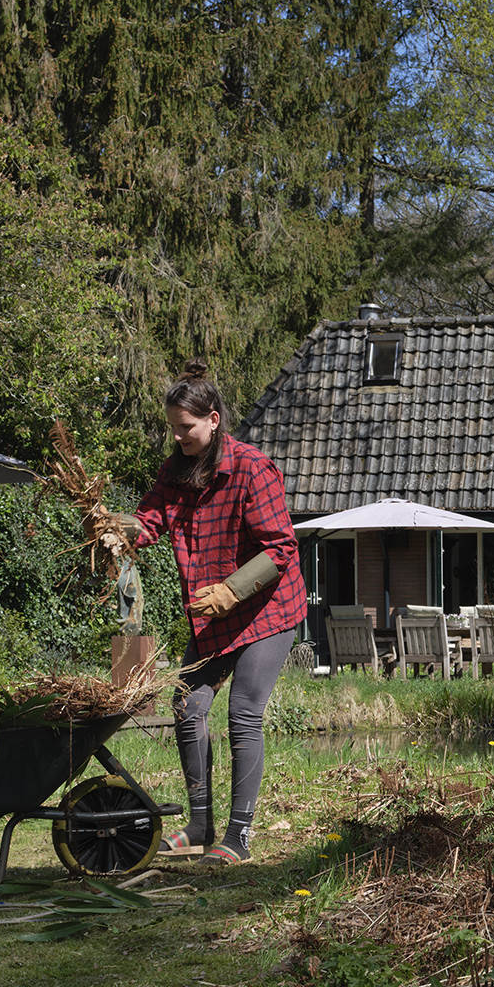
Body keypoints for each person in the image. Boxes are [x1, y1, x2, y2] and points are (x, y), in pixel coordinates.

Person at [130, 362, 307, 860]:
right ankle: (201, 824)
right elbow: (151, 517)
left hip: (267, 608)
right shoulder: (176, 470)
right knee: (188, 707)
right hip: (214, 612)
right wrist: (119, 533)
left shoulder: (253, 468)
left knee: (243, 713)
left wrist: (231, 590)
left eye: (185, 428)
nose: (178, 436)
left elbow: (280, 548)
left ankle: (239, 836)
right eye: (173, 428)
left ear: (213, 419)